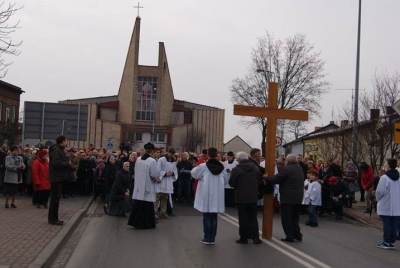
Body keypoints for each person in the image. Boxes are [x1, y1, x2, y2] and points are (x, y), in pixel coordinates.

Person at [264, 154, 304, 243]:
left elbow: (276, 179)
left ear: (288, 161)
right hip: (298, 197)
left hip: (288, 198)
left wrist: (267, 178)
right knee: (294, 218)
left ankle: (290, 236)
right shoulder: (299, 168)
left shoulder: (287, 169)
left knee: (287, 218)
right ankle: (297, 235)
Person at [192, 147, 228, 245]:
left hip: (206, 194)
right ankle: (212, 238)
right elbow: (225, 181)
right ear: (216, 155)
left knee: (207, 216)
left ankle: (207, 238)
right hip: (217, 196)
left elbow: (194, 174)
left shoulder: (203, 166)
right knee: (214, 216)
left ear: (207, 155)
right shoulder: (222, 166)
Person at [229, 152, 262, 244]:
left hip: (241, 197)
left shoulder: (236, 169)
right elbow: (259, 181)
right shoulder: (255, 168)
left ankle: (244, 238)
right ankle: (256, 238)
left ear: (238, 159)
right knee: (253, 218)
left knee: (243, 218)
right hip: (253, 196)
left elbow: (231, 183)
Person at [128, 143, 160, 229]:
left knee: (138, 205)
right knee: (147, 206)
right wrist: (157, 179)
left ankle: (135, 222)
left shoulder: (138, 159)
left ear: (145, 149)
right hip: (147, 187)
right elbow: (154, 174)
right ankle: (146, 223)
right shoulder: (152, 161)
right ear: (152, 151)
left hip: (138, 186)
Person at [375, 159, 400, 250]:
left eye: (385, 163)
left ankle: (386, 242)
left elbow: (379, 192)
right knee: (393, 224)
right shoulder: (399, 177)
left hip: (386, 204)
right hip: (396, 206)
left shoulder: (384, 178)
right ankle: (390, 241)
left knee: (387, 224)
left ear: (389, 166)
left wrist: (377, 200)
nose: (384, 165)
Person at [48, 136, 72, 225]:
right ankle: (53, 219)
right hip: (56, 177)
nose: (66, 142)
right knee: (55, 199)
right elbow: (56, 163)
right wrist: (67, 163)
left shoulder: (60, 149)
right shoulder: (56, 150)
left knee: (56, 199)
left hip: (58, 177)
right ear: (61, 142)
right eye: (66, 141)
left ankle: (55, 218)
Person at [156, 148, 178, 219]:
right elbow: (157, 169)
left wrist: (173, 173)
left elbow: (175, 171)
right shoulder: (161, 159)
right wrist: (165, 174)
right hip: (161, 181)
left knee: (165, 198)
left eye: (172, 154)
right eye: (170, 153)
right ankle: (154, 212)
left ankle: (163, 212)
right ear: (167, 152)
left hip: (168, 182)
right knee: (157, 198)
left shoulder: (173, 160)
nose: (171, 155)